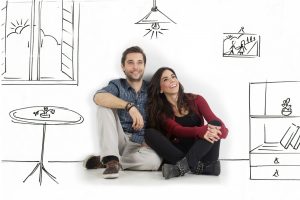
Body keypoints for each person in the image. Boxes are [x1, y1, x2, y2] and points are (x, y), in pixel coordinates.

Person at [84, 46, 161, 179]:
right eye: (130, 62)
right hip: (117, 139)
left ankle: (107, 160)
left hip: (140, 145)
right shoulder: (117, 85)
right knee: (103, 106)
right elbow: (98, 97)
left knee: (154, 162)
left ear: (144, 65)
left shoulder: (152, 89)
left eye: (139, 62)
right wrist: (129, 106)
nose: (135, 67)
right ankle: (111, 158)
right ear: (123, 67)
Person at [144, 67, 228, 179]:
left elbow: (223, 130)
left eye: (173, 77)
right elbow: (177, 130)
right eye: (165, 79)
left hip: (203, 152)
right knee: (149, 133)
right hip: (179, 154)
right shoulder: (161, 111)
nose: (172, 80)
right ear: (160, 89)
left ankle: (181, 168)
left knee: (215, 123)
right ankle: (201, 168)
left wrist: (216, 130)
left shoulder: (197, 100)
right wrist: (200, 131)